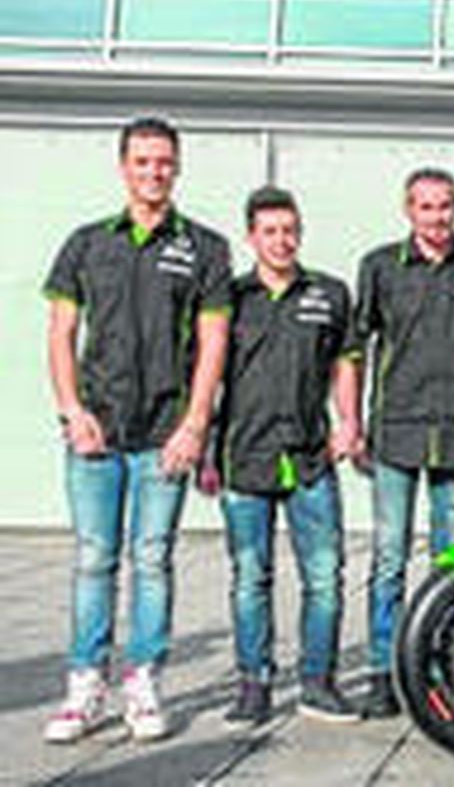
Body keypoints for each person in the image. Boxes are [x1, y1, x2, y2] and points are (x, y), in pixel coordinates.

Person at [43, 116, 231, 744]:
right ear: (123, 167)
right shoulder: (85, 244)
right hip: (95, 431)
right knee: (94, 560)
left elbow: (213, 342)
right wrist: (72, 410)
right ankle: (84, 685)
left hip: (163, 436)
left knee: (152, 560)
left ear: (177, 168)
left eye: (164, 162)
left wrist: (195, 424)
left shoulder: (204, 248)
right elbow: (62, 334)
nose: (154, 172)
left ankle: (143, 680)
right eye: (143, 161)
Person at [214, 187, 363, 726]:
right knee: (250, 577)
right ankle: (253, 684)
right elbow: (208, 376)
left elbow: (346, 362)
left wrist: (349, 422)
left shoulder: (329, 293)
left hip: (309, 458)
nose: (281, 240)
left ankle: (317, 683)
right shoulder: (229, 297)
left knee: (324, 576)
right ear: (251, 237)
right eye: (270, 231)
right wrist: (208, 448)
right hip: (244, 458)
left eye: (289, 230)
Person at [354, 167, 454, 718]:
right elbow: (355, 349)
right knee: (388, 559)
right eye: (426, 207)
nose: (437, 217)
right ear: (408, 210)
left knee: (452, 561)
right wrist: (349, 420)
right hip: (396, 434)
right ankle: (384, 670)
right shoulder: (381, 267)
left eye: (445, 206)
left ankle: (438, 666)